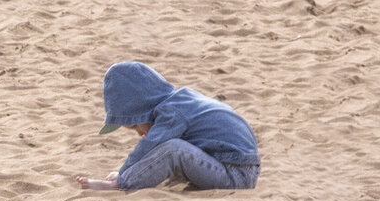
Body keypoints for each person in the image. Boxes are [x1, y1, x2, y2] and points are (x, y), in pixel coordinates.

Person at [75, 61, 260, 191]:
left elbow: (149, 147)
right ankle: (129, 178)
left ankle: (121, 185)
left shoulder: (172, 113)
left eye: (135, 126)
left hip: (235, 174)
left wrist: (123, 176)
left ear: (142, 109)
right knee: (172, 148)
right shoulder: (183, 101)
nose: (140, 133)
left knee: (173, 150)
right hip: (239, 166)